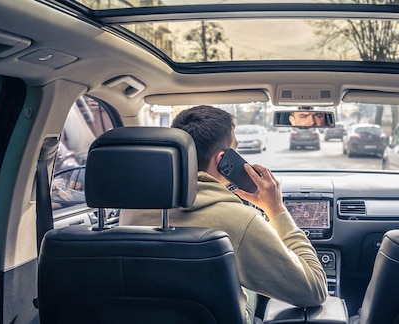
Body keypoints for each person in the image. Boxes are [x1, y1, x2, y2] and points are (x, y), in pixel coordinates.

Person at [120, 105, 328, 324]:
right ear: (223, 160)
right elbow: (314, 290)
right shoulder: (240, 221)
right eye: (235, 149)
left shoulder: (130, 209)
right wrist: (276, 209)